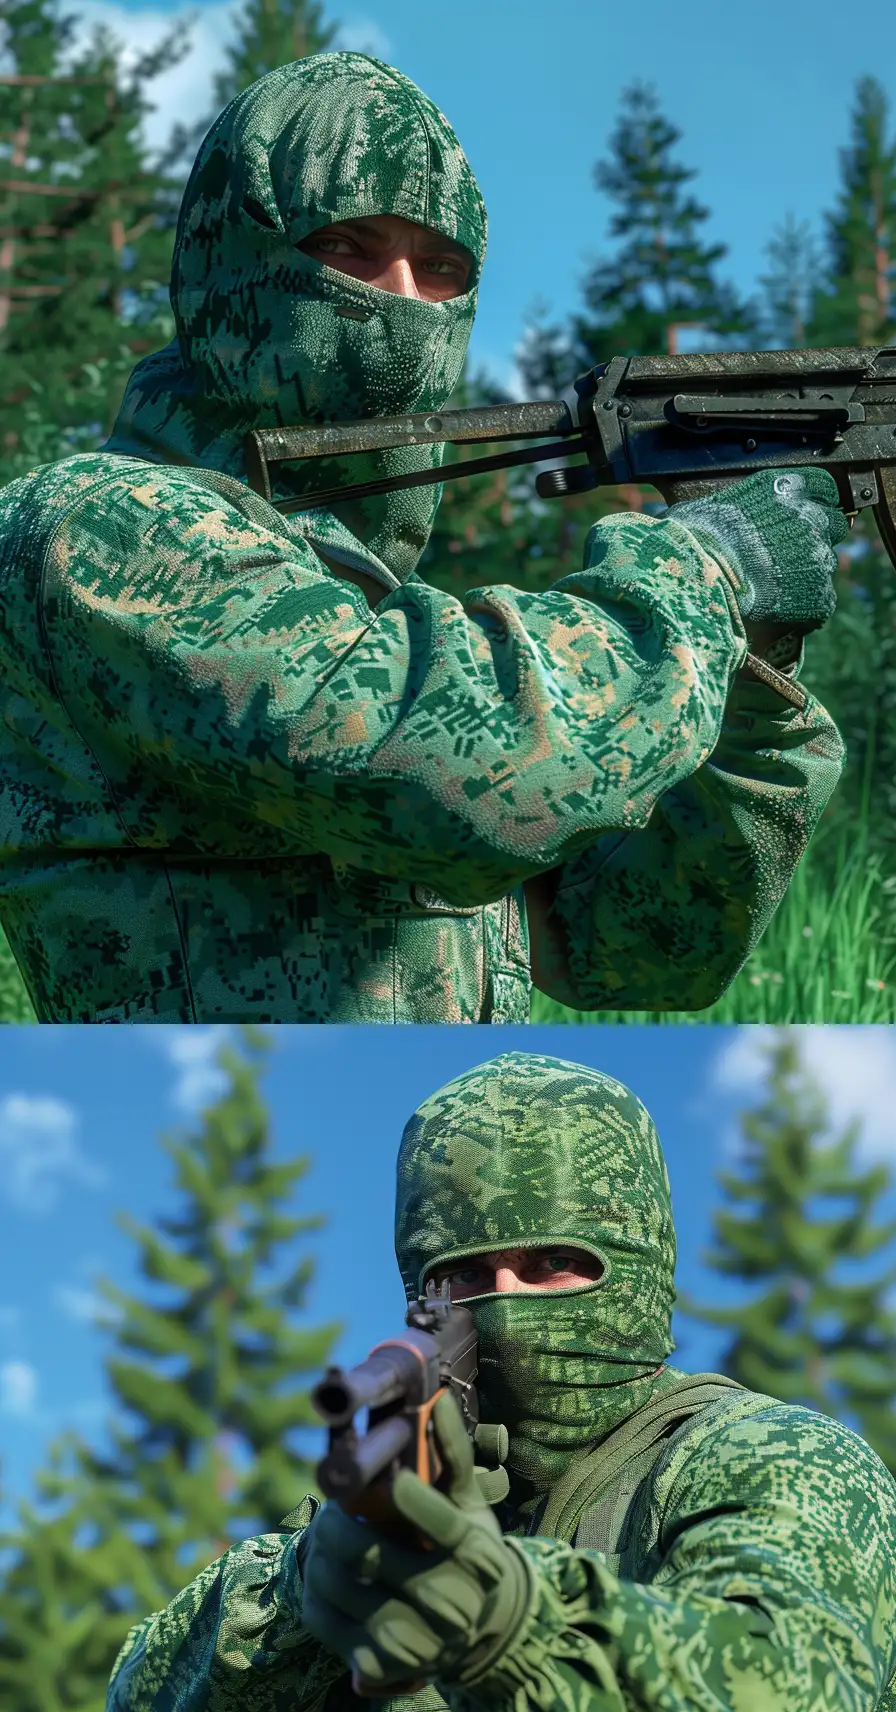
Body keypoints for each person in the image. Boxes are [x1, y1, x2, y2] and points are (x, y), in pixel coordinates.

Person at [0, 54, 847, 1023]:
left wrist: (748, 672)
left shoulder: (360, 612)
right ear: (230, 259)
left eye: (441, 269)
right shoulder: (99, 525)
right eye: (352, 249)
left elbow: (634, 949)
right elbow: (439, 772)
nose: (403, 298)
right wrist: (699, 573)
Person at [106, 1052, 896, 1712]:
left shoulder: (771, 1458)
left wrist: (509, 1622)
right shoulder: (407, 1486)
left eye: (550, 1264)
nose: (504, 1302)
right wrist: (299, 1584)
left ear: (639, 1258)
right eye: (460, 1274)